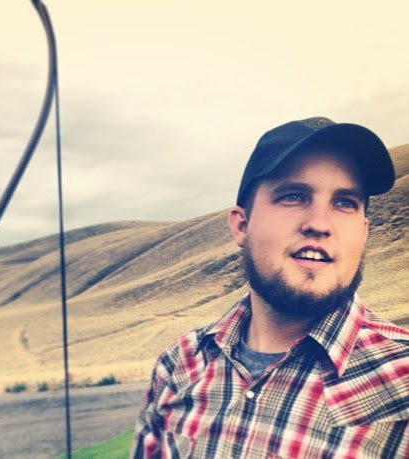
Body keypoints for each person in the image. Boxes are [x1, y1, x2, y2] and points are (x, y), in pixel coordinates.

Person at [131, 117, 409, 458]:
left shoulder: (401, 381)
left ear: (364, 232)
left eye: (345, 203)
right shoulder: (179, 364)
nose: (320, 224)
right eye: (293, 196)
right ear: (241, 225)